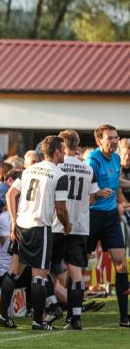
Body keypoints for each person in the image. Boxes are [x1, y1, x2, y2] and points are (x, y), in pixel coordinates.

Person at [0, 136, 70, 330]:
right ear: (56, 152)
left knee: (14, 273)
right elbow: (61, 209)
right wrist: (67, 225)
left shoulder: (28, 170)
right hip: (40, 227)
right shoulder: (58, 174)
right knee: (39, 276)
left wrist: (13, 222)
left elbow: (10, 194)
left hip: (22, 225)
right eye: (62, 150)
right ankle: (38, 321)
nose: (64, 153)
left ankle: (3, 315)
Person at [49, 130, 98, 330]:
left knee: (47, 271)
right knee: (76, 275)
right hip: (79, 226)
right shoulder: (87, 169)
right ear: (78, 144)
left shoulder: (57, 166)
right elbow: (92, 198)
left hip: (57, 225)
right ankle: (75, 317)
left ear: (62, 144)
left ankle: (52, 305)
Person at [84, 124, 129, 327]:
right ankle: (73, 314)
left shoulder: (117, 158)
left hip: (110, 216)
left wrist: (119, 201)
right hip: (92, 216)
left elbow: (115, 182)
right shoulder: (92, 160)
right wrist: (96, 193)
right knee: (80, 264)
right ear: (99, 141)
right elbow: (83, 189)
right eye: (110, 138)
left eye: (116, 137)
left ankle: (124, 316)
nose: (114, 141)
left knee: (121, 262)